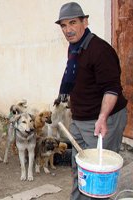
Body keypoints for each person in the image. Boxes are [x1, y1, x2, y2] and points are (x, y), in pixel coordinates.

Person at [54, 2, 128, 200]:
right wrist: (67, 100)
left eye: (72, 23)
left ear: (84, 22)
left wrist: (103, 117)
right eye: (63, 25)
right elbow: (75, 76)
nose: (68, 30)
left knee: (98, 174)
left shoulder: (100, 50)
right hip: (80, 119)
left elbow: (112, 89)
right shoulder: (76, 47)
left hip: (103, 119)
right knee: (80, 168)